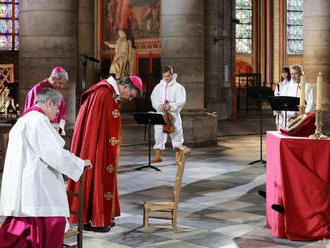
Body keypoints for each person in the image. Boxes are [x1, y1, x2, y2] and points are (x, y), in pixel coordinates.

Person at [0, 88, 92, 248]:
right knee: (52, 223)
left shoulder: (25, 119)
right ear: (49, 103)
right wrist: (79, 163)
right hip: (38, 187)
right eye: (57, 107)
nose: (58, 112)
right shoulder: (38, 121)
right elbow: (54, 154)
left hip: (25, 186)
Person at [66, 75, 143, 232]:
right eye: (131, 95)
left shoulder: (107, 92)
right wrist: (97, 149)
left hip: (101, 144)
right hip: (96, 146)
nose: (129, 99)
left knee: (99, 178)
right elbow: (93, 126)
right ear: (126, 87)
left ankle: (93, 218)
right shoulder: (102, 92)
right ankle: (96, 220)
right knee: (96, 177)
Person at [150, 65, 186, 164]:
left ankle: (178, 157)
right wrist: (158, 106)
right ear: (162, 75)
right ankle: (158, 156)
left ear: (172, 74)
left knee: (177, 134)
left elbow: (181, 101)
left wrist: (171, 106)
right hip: (161, 114)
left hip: (173, 115)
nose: (167, 78)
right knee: (158, 134)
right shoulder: (158, 87)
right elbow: (153, 98)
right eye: (165, 76)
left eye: (169, 76)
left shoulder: (178, 87)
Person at [24, 66, 68, 135]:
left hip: (55, 130)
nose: (62, 86)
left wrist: (60, 127)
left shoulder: (57, 90)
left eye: (63, 84)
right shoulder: (37, 89)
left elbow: (63, 109)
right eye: (60, 83)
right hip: (40, 129)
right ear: (53, 78)